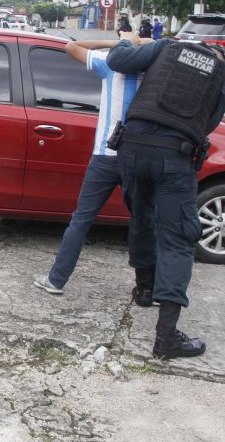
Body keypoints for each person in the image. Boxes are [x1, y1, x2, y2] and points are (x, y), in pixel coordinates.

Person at [106, 31, 225, 360]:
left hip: (130, 149)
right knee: (178, 239)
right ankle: (166, 339)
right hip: (174, 158)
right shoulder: (220, 81)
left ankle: (145, 289)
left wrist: (127, 40)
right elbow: (207, 123)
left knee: (142, 218)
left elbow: (116, 60)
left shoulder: (165, 48)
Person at [33, 38, 155, 301]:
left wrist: (117, 41)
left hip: (105, 156)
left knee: (81, 220)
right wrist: (147, 43)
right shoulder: (156, 70)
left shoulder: (110, 65)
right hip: (138, 158)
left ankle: (56, 279)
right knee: (143, 222)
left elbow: (71, 47)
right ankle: (147, 289)